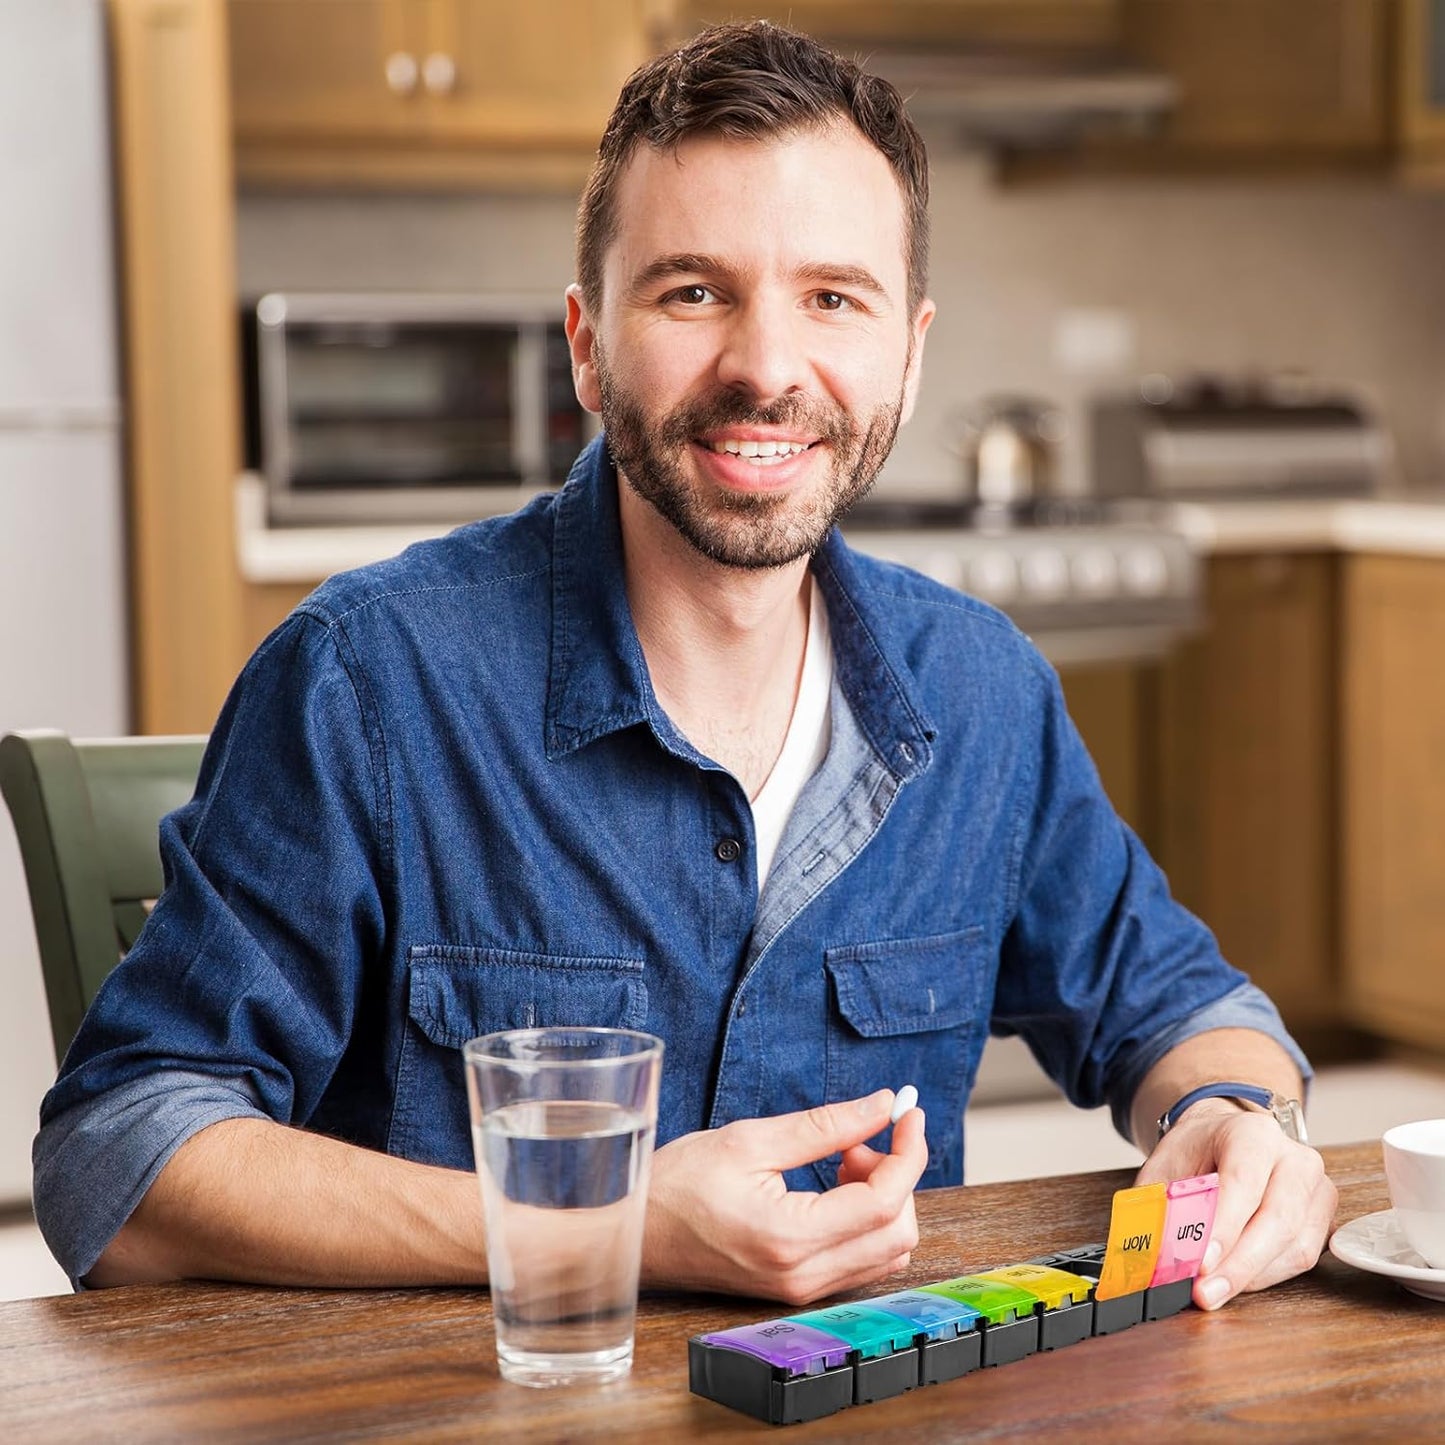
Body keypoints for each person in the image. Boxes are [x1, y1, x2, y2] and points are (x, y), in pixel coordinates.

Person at [34, 21, 1335, 1308]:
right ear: (587, 343)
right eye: (693, 291)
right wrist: (594, 1226)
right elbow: (120, 1155)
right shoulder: (365, 681)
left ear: (908, 349)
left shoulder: (980, 693)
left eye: (832, 297)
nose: (766, 368)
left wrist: (1241, 1112)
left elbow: (1179, 1006)